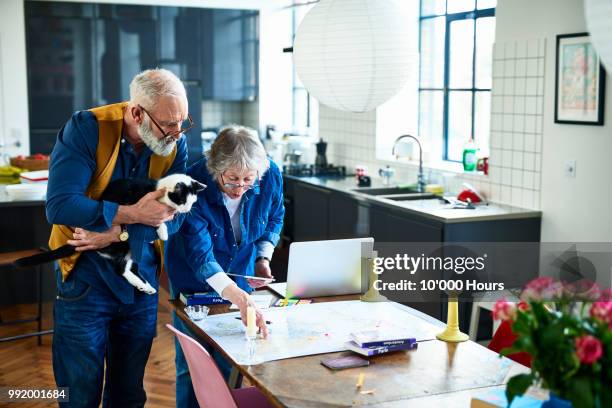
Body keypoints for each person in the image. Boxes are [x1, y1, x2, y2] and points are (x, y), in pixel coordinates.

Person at [46, 68, 190, 407]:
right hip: (84, 278)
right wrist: (134, 214)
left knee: (128, 394)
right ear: (137, 112)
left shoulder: (174, 143)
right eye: (169, 123)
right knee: (78, 394)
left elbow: (176, 217)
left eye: (183, 122)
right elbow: (61, 206)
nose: (177, 132)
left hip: (140, 284)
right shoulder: (86, 128)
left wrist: (115, 231)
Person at [166, 125, 285, 408]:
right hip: (192, 278)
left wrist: (262, 258)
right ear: (215, 167)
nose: (240, 188)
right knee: (193, 365)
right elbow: (200, 255)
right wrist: (239, 296)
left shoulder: (269, 175)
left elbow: (275, 217)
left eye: (248, 180)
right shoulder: (191, 183)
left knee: (232, 356)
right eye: (232, 180)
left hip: (240, 271)